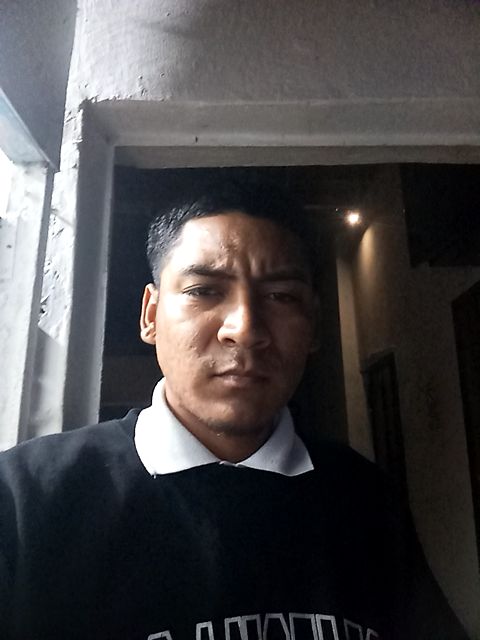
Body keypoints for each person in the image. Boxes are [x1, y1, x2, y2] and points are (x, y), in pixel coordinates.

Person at [0, 181, 469, 639]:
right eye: (204, 290)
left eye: (281, 296)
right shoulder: (24, 499)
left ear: (314, 326)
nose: (245, 329)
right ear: (150, 315)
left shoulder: (365, 500)